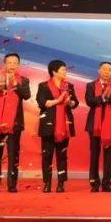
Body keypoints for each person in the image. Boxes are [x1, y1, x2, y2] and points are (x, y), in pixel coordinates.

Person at [0, 53, 31, 193]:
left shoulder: (23, 80)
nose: (12, 65)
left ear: (18, 65)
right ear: (5, 64)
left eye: (15, 63)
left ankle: (12, 185)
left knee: (13, 154)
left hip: (14, 122)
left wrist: (16, 85)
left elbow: (27, 96)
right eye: (9, 62)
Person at [35, 59, 78, 193]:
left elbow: (75, 103)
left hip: (64, 124)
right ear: (54, 71)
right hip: (48, 125)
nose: (65, 72)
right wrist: (58, 101)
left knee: (62, 155)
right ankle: (47, 183)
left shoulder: (69, 86)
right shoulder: (43, 86)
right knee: (47, 155)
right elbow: (42, 103)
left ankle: (61, 183)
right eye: (63, 70)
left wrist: (69, 102)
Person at [84, 61, 111, 192]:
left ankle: (106, 184)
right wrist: (102, 98)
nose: (107, 72)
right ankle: (94, 183)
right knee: (94, 154)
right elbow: (89, 101)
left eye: (110, 70)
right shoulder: (90, 85)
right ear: (99, 70)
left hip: (110, 125)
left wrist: (109, 97)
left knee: (108, 156)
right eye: (104, 69)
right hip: (94, 125)